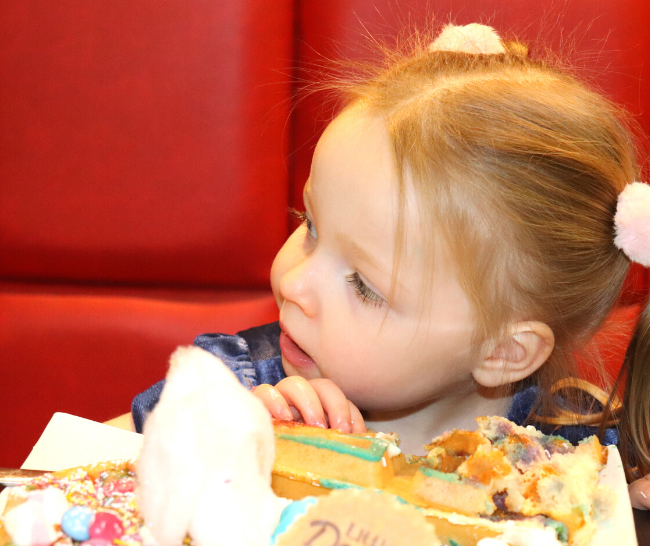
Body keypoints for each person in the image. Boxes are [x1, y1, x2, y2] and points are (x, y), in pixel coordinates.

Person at [108, 24, 650, 508]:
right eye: (310, 224)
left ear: (502, 350)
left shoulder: (577, 450)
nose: (294, 283)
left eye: (364, 287)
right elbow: (65, 468)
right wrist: (202, 444)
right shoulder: (240, 386)